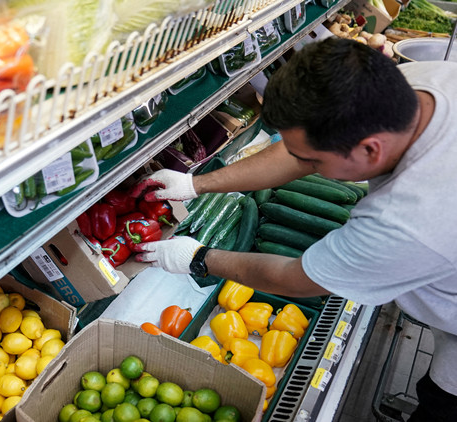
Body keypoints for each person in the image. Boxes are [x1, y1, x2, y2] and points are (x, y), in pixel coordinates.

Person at [129, 37, 457, 421]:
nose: (304, 163)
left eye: (314, 161)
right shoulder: (425, 82)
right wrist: (195, 184)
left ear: (370, 150)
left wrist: (198, 257)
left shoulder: (409, 220)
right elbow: (297, 150)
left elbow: (299, 279)